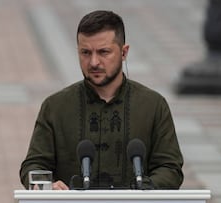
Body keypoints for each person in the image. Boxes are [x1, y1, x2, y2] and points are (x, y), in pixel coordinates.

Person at [20, 10, 183, 190]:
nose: (94, 62)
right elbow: (33, 166)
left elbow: (170, 168)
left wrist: (146, 189)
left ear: (124, 52)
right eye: (85, 53)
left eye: (103, 52)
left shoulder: (153, 105)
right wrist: (45, 185)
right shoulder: (55, 107)